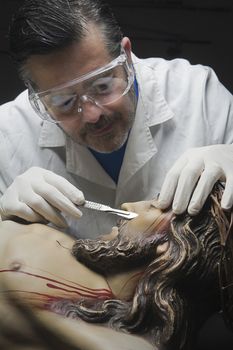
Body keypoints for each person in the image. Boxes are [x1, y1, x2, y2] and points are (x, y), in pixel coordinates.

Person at [0, 0, 233, 238]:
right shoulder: (8, 136)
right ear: (36, 96)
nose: (93, 114)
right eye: (64, 102)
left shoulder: (200, 95)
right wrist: (4, 225)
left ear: (127, 57)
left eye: (102, 86)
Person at [0, 184, 232, 349]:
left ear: (170, 248)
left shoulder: (111, 336)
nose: (128, 205)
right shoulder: (89, 267)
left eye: (152, 206)